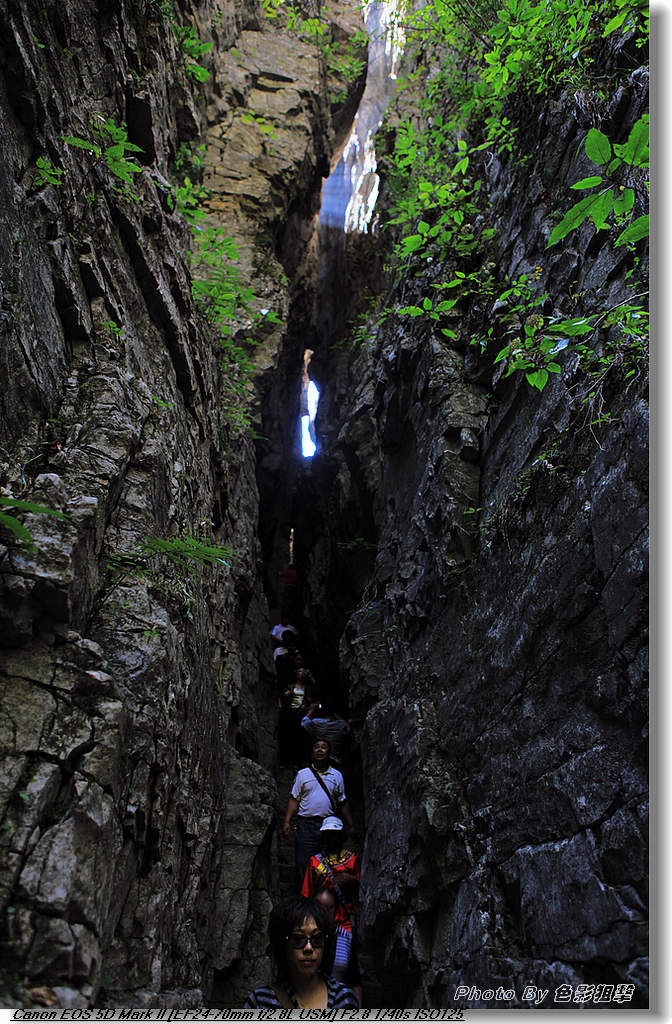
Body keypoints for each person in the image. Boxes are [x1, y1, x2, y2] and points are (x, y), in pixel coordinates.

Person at [243, 895, 358, 1009]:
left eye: (317, 938)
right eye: (298, 939)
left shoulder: (343, 999)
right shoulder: (261, 1002)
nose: (309, 948)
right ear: (283, 944)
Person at [303, 817, 362, 1005]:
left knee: (345, 966)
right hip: (319, 924)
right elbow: (306, 895)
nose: (331, 839)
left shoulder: (352, 861)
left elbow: (361, 890)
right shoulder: (315, 863)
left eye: (334, 835)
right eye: (327, 835)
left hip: (344, 924)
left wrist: (350, 880)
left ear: (340, 836)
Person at [283, 740, 355, 887]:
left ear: (329, 753)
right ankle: (307, 900)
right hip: (306, 825)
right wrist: (287, 821)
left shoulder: (336, 775)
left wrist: (351, 824)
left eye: (324, 747)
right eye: (316, 747)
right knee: (304, 862)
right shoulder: (303, 775)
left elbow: (342, 802)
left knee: (327, 863)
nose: (320, 750)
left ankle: (323, 899)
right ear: (312, 752)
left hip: (328, 826)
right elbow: (294, 799)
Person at [314, 887, 363, 1007]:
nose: (323, 913)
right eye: (319, 908)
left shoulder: (345, 938)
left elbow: (354, 979)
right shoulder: (303, 939)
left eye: (328, 908)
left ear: (334, 910)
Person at [301, 698, 351, 766]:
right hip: (335, 759)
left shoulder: (317, 723)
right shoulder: (341, 725)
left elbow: (304, 722)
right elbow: (347, 726)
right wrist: (334, 712)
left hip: (318, 759)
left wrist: (311, 710)